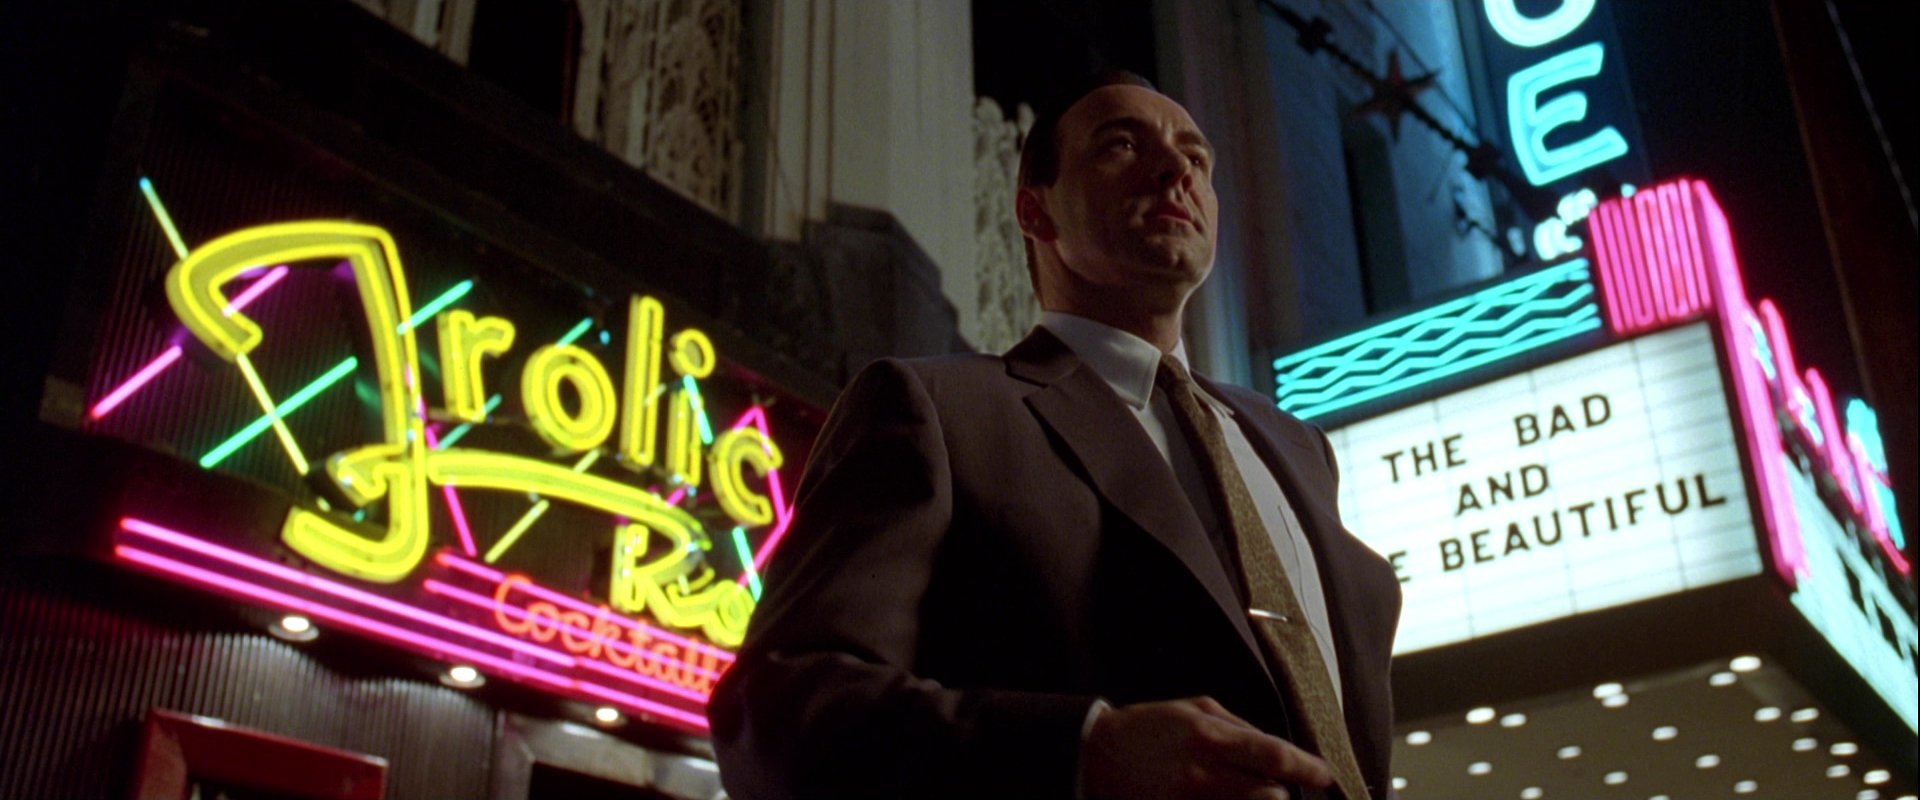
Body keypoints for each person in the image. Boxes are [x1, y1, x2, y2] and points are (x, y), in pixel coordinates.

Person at [710, 71, 1401, 800]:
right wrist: (1080, 754)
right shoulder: (936, 410)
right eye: (1121, 145)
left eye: (1196, 157)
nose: (1175, 168)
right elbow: (778, 708)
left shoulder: (1296, 447)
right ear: (1034, 211)